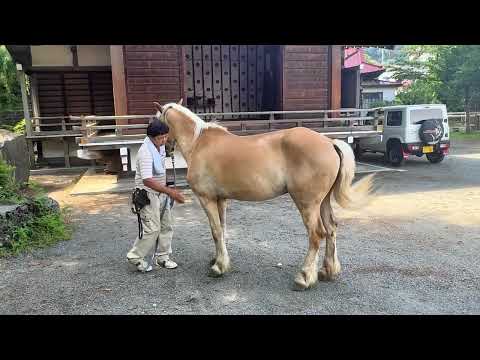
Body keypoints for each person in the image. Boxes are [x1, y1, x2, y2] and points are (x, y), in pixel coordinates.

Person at [126, 120, 185, 272]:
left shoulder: (159, 148)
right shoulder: (145, 152)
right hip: (147, 194)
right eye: (161, 138)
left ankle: (163, 257)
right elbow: (147, 180)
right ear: (152, 137)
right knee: (152, 229)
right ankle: (135, 256)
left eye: (166, 136)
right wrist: (170, 192)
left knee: (167, 226)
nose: (164, 140)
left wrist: (168, 189)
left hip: (161, 193)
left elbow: (160, 172)